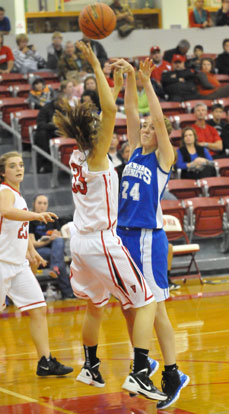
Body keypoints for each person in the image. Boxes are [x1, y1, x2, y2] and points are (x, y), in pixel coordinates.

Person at [53, 41, 166, 402]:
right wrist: (95, 64)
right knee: (145, 301)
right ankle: (139, 373)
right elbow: (107, 109)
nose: (110, 130)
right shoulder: (99, 155)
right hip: (103, 241)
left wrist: (116, 83)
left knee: (94, 306)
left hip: (80, 245)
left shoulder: (76, 154)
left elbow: (104, 113)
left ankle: (90, 366)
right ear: (97, 135)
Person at [111, 57, 189, 409]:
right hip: (124, 237)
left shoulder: (162, 158)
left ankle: (172, 374)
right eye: (142, 128)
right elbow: (130, 112)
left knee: (156, 310)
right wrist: (128, 78)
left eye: (151, 128)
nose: (145, 128)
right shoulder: (134, 154)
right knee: (132, 308)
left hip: (147, 239)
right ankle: (147, 364)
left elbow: (156, 117)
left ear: (161, 136)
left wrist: (146, 82)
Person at [0, 151, 73, 376]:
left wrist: (31, 251)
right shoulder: (4, 191)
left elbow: (17, 229)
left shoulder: (19, 196)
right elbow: (4, 211)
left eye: (21, 164)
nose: (19, 168)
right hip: (1, 263)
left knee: (38, 308)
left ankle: (45, 361)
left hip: (18, 264)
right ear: (3, 172)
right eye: (13, 166)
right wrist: (35, 215)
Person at [29, 194, 74, 299]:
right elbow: (33, 243)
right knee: (59, 261)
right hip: (39, 251)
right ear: (34, 204)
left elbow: (58, 235)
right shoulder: (30, 220)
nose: (42, 206)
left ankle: (55, 267)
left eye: (45, 203)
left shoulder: (53, 218)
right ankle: (68, 293)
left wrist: (55, 235)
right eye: (39, 203)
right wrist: (48, 240)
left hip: (54, 249)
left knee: (58, 241)